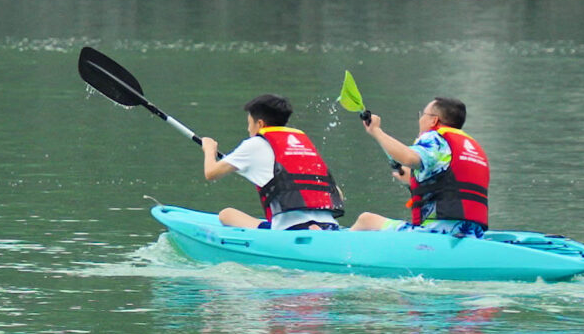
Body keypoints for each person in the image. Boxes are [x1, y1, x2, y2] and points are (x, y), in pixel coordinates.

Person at [198, 94, 344, 230]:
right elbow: (338, 194)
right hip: (330, 224)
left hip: (291, 230)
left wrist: (209, 149)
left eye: (249, 123)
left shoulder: (254, 144)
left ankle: (307, 229)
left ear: (260, 124)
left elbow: (211, 173)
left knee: (226, 214)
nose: (248, 129)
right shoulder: (302, 143)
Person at [349, 96, 491, 236]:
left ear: (433, 120)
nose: (420, 119)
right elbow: (450, 183)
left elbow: (409, 158)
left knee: (366, 220)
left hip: (438, 233)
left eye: (423, 114)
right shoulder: (472, 146)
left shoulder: (435, 138)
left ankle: (338, 254)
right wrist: (412, 179)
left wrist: (376, 131)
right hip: (473, 233)